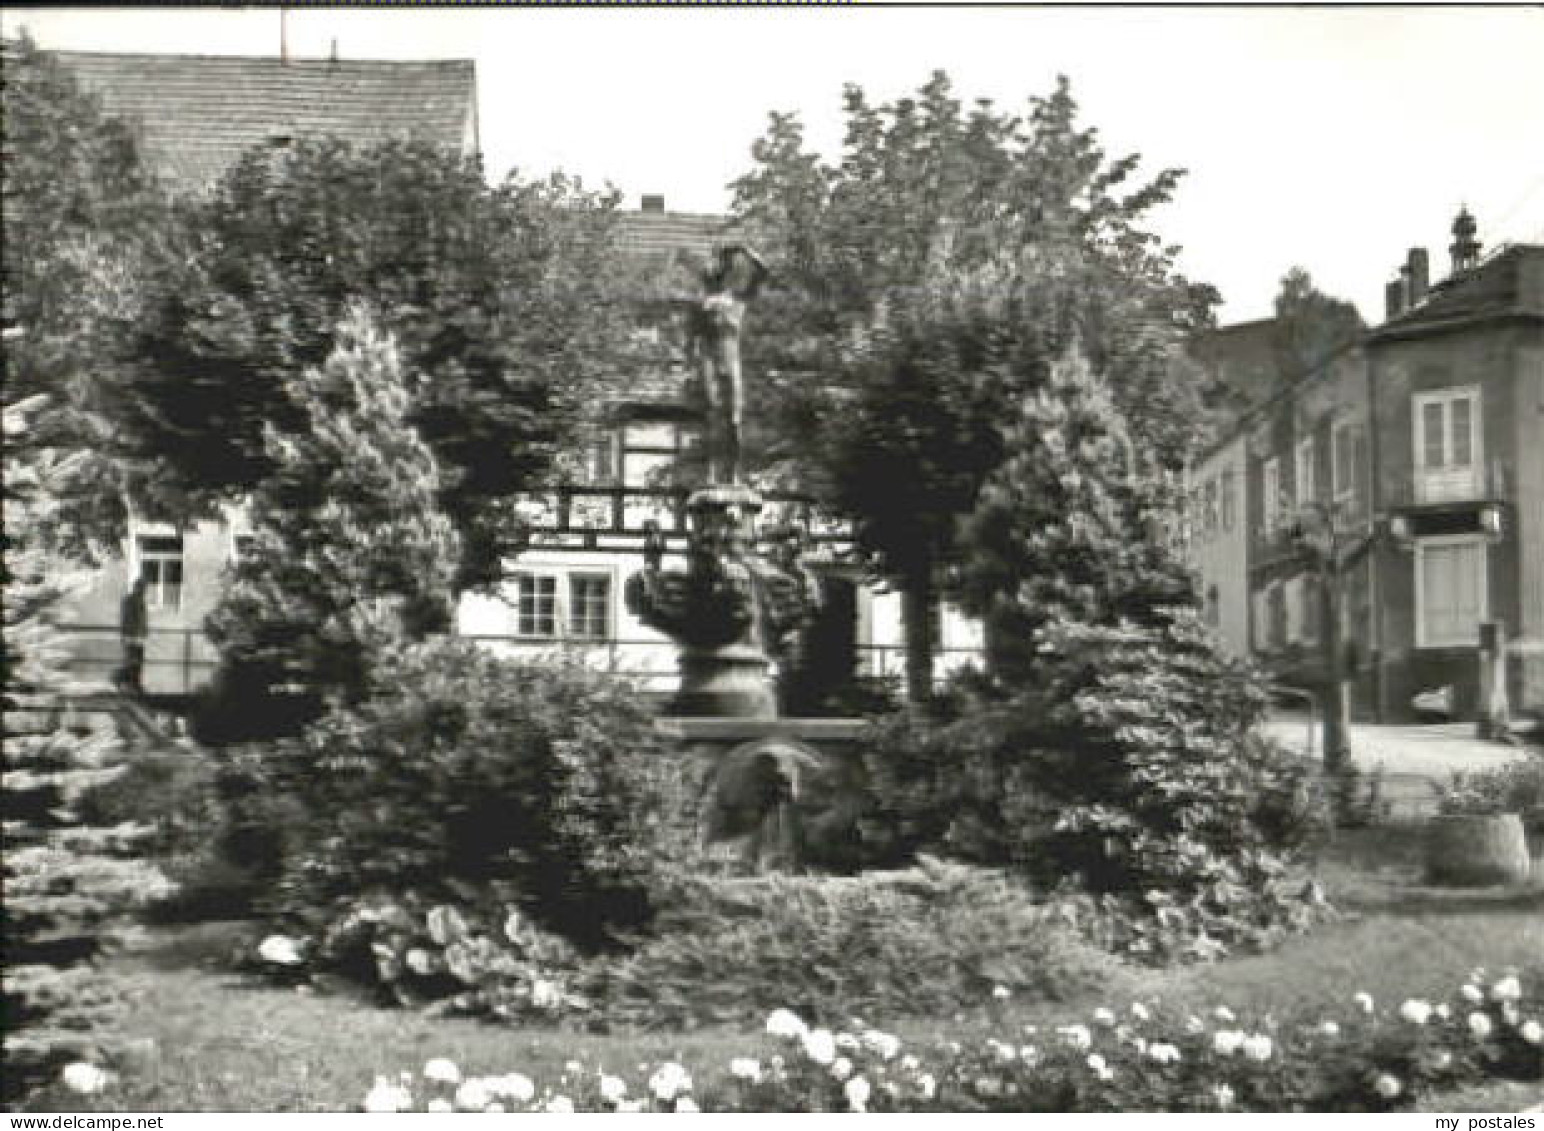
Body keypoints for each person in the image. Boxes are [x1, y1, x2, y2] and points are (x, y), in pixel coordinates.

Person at [688, 244, 768, 485]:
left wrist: (746, 250)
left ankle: (733, 475)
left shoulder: (739, 299)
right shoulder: (703, 304)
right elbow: (693, 338)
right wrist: (690, 368)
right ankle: (711, 474)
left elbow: (763, 272)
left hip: (731, 359)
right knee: (712, 415)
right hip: (709, 358)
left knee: (734, 419)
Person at [118, 576, 148, 693]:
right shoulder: (129, 600)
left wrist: (144, 631)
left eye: (144, 588)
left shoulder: (140, 601)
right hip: (131, 635)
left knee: (138, 661)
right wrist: (125, 634)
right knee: (132, 660)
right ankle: (127, 682)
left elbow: (142, 619)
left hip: (138, 636)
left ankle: (134, 683)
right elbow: (126, 618)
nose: (144, 591)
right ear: (137, 587)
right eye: (142, 588)